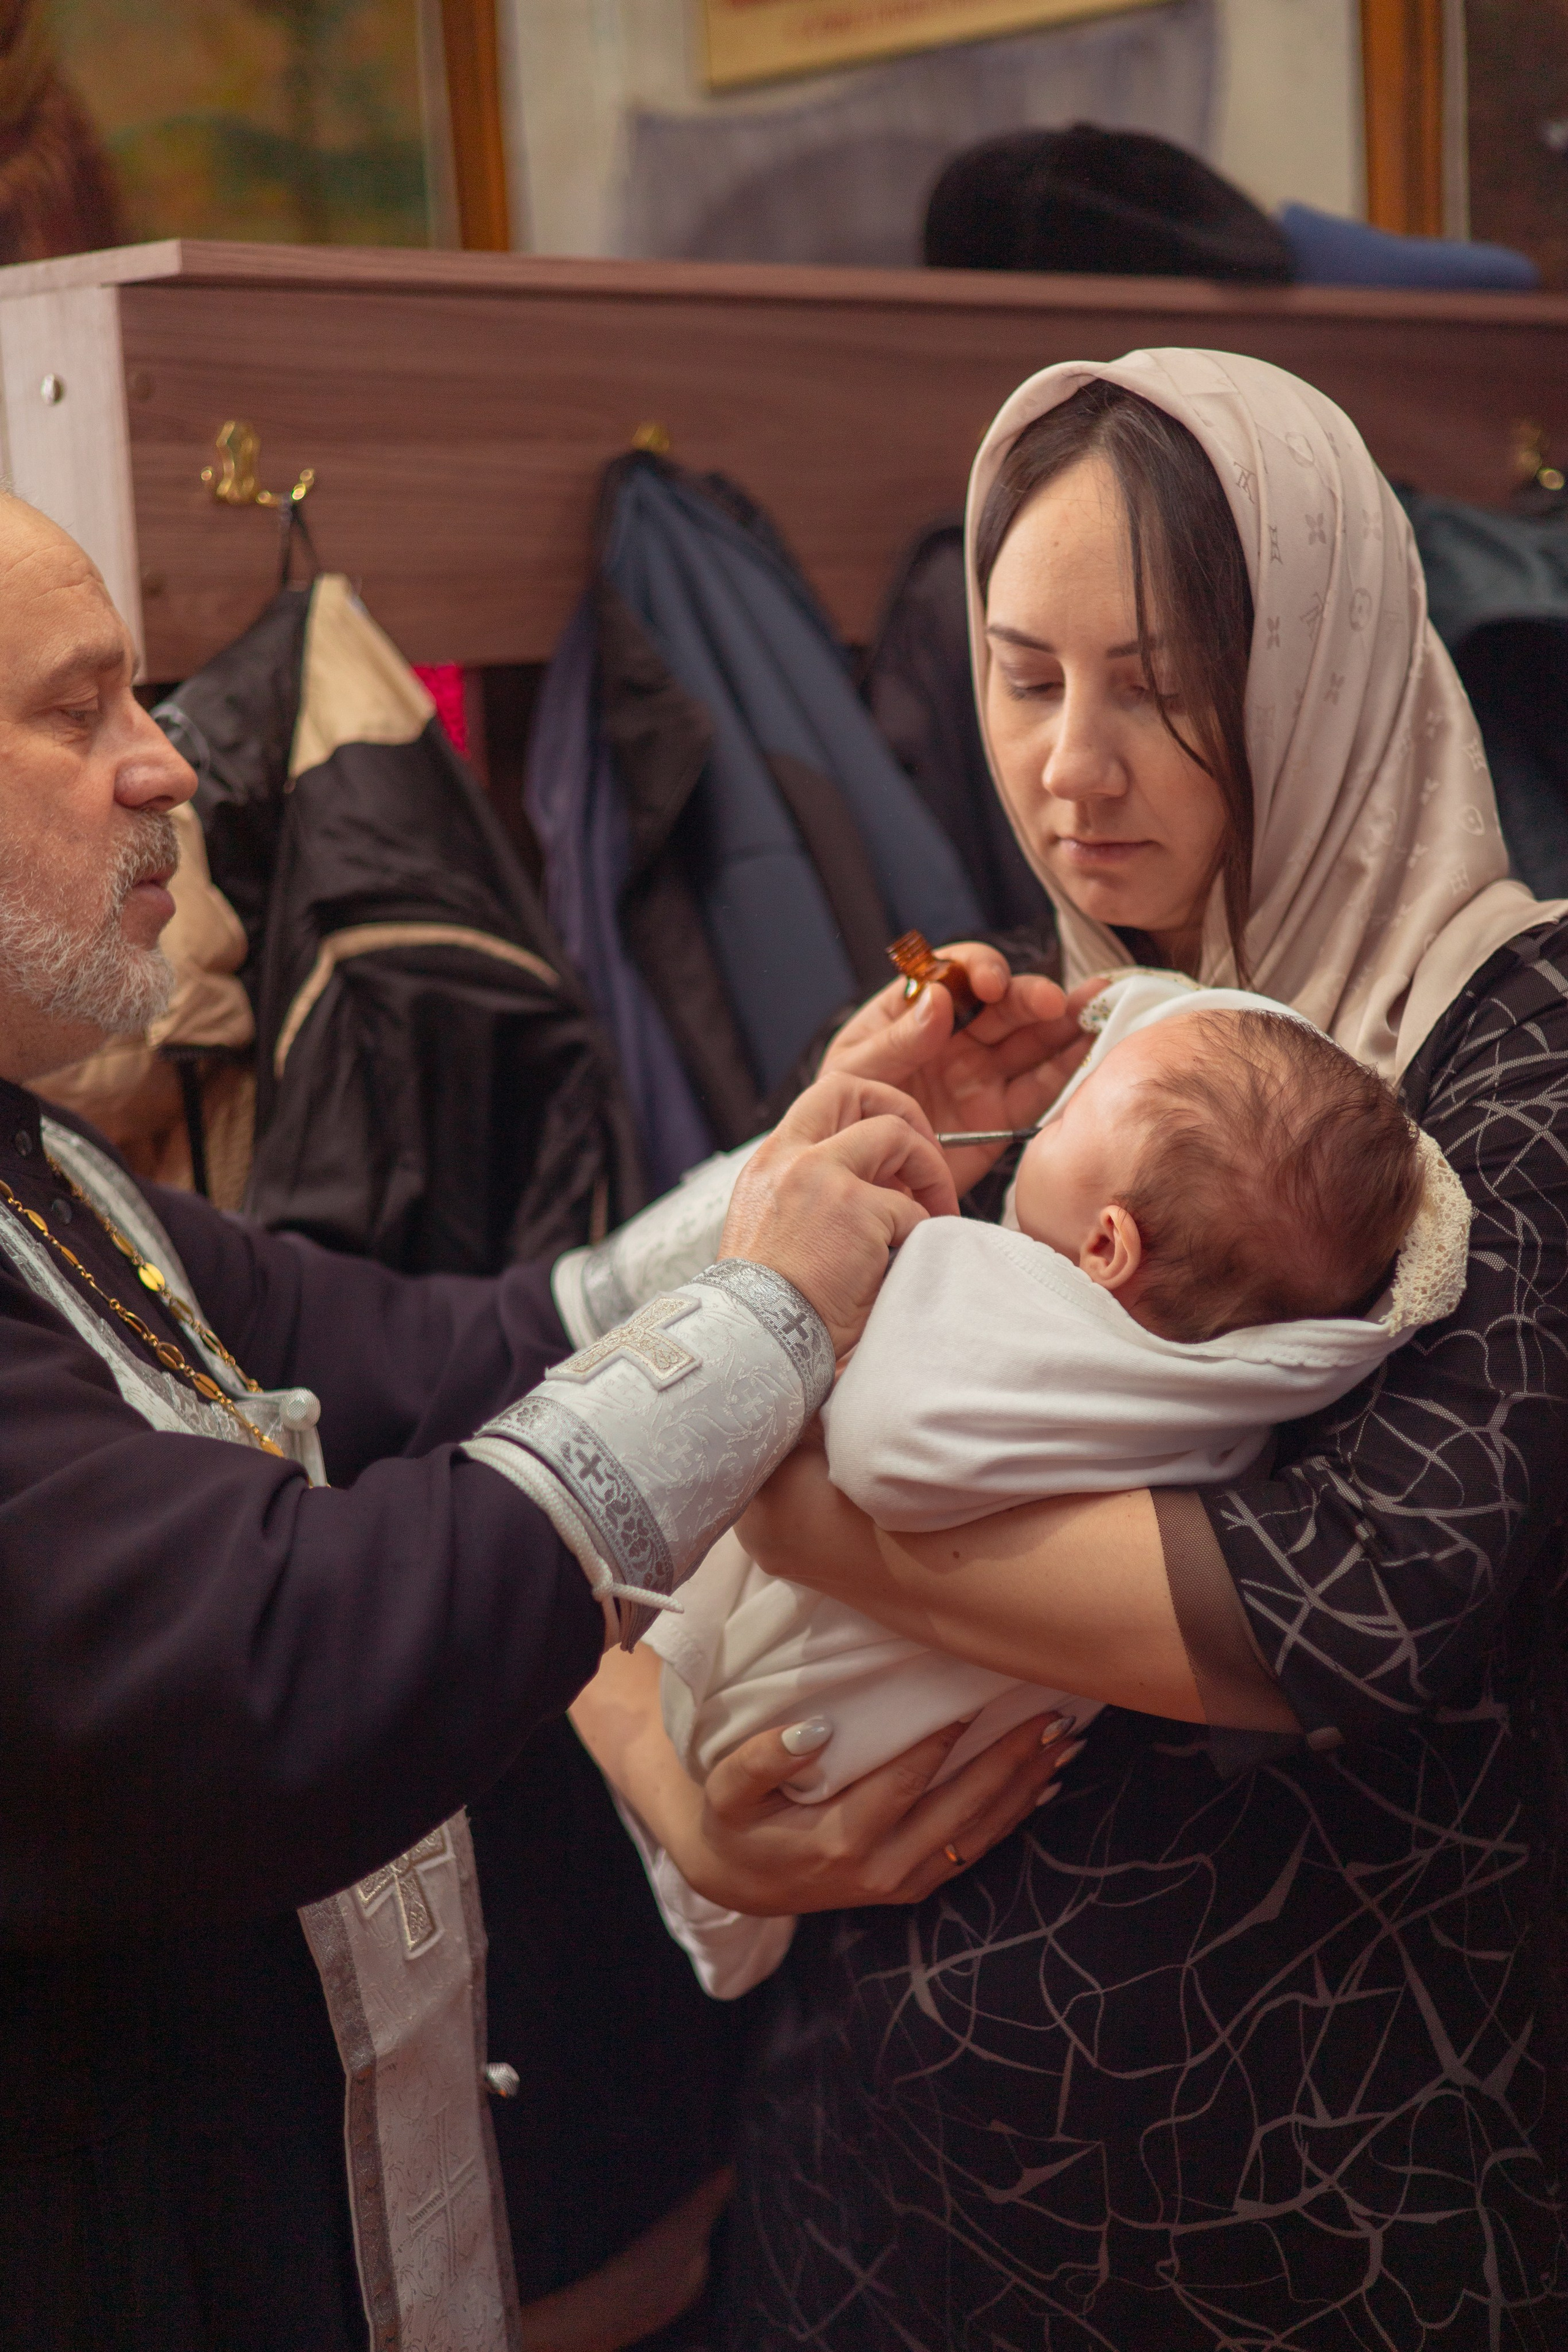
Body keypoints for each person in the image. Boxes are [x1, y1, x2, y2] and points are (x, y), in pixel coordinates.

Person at [0, 494, 1078, 2352]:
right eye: (76, 710)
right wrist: (774, 1311)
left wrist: (806, 1161)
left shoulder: (44, 1162)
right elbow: (281, 1644)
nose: (165, 765)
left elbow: (443, 1352)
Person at [572, 352, 1568, 2346]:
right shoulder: (1055, 1041)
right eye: (1025, 680)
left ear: (1320, 666)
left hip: (1315, 2236)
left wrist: (799, 1491)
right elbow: (583, 1442)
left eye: (1159, 688)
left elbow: (1352, 1603)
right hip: (869, 2205)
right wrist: (682, 1794)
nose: (1073, 770)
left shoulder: (1517, 1054)